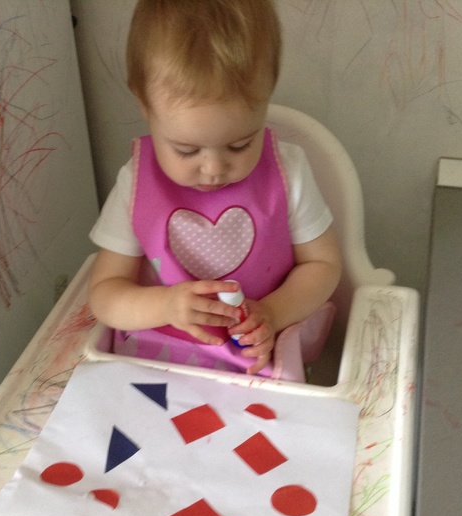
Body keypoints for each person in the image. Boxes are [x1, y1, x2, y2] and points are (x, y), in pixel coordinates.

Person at [87, 0, 341, 377]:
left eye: (240, 145)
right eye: (186, 150)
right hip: (159, 360)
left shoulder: (288, 172)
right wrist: (165, 305)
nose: (213, 169)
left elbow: (323, 265)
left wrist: (274, 311)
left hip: (258, 360)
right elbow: (105, 293)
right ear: (144, 103)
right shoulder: (136, 183)